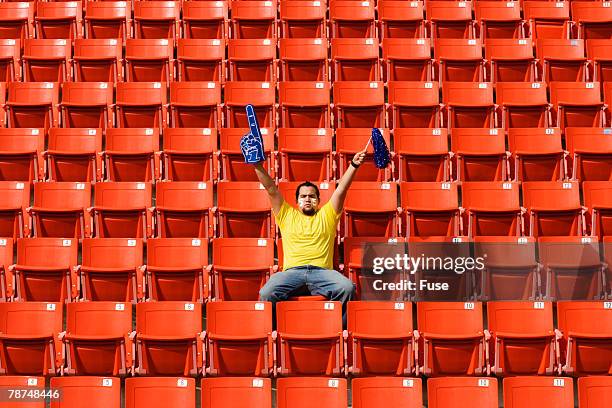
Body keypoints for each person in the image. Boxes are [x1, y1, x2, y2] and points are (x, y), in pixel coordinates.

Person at [253, 150, 367, 326]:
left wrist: (353, 165)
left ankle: (339, 333)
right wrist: (257, 165)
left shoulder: (328, 214)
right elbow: (271, 189)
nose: (307, 199)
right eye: (303, 196)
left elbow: (342, 189)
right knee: (266, 293)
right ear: (297, 201)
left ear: (318, 200)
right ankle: (274, 335)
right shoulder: (286, 214)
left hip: (323, 272)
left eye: (312, 196)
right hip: (291, 273)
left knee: (347, 288)